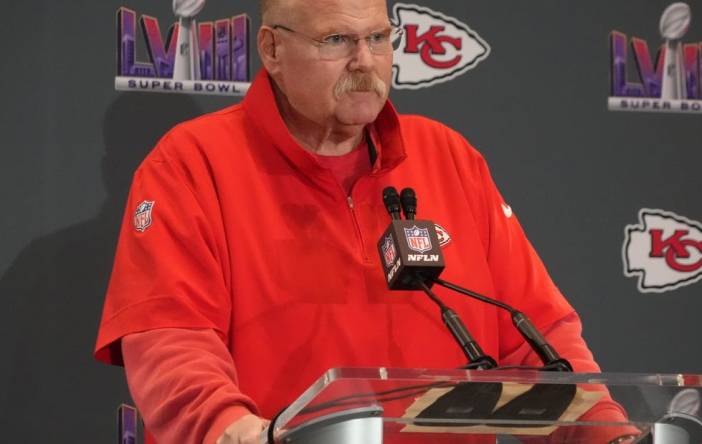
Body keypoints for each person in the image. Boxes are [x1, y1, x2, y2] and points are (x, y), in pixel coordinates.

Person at [95, 0, 638, 443]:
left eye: (379, 38)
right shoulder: (192, 163)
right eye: (337, 40)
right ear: (272, 48)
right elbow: (171, 340)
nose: (365, 61)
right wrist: (235, 432)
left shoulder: (447, 156)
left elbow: (537, 334)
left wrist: (608, 434)